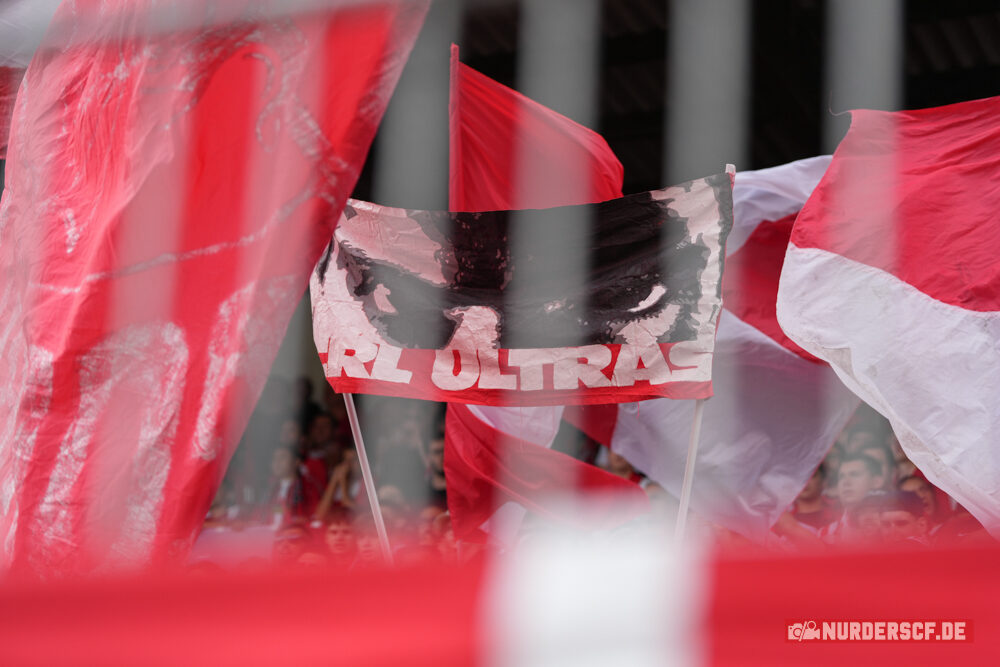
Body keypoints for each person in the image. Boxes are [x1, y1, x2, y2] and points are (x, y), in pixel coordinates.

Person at [819, 453, 884, 545]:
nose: (846, 482)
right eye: (841, 477)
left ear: (877, 482)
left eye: (855, 474)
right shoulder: (825, 533)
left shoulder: (894, 525)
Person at [790, 464, 839, 530]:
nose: (805, 481)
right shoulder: (781, 520)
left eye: (811, 476)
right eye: (799, 477)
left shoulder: (839, 511)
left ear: (824, 481)